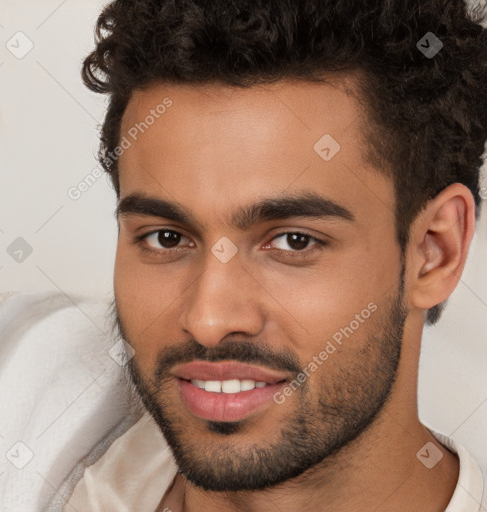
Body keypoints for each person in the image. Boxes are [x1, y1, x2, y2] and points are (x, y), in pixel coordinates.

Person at [65, 0, 487, 510]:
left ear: (434, 252)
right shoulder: (10, 402)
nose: (208, 320)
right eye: (167, 238)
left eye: (293, 241)